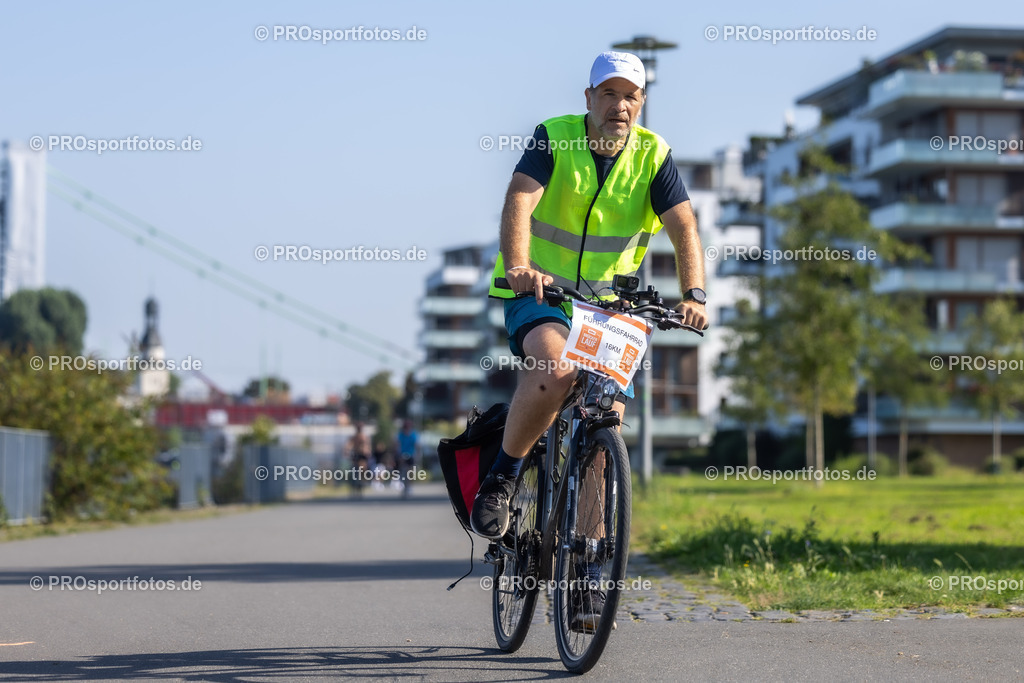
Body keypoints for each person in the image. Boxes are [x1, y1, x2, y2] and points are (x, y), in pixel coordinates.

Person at [469, 51, 708, 631]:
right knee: (552, 370)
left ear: (641, 104)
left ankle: (586, 579)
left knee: (606, 425)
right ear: (589, 99)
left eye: (629, 96)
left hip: (611, 309)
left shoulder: (654, 157)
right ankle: (502, 477)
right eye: (608, 94)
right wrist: (521, 266)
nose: (618, 106)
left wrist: (694, 295)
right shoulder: (555, 139)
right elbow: (519, 200)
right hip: (542, 294)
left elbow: (684, 228)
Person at [396, 419, 418, 499]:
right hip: (402, 454)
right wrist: (398, 455)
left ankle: (409, 487)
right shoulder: (401, 435)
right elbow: (398, 445)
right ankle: (403, 486)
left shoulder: (413, 434)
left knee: (410, 472)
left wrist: (417, 455)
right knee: (403, 471)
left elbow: (416, 445)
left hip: (411, 454)